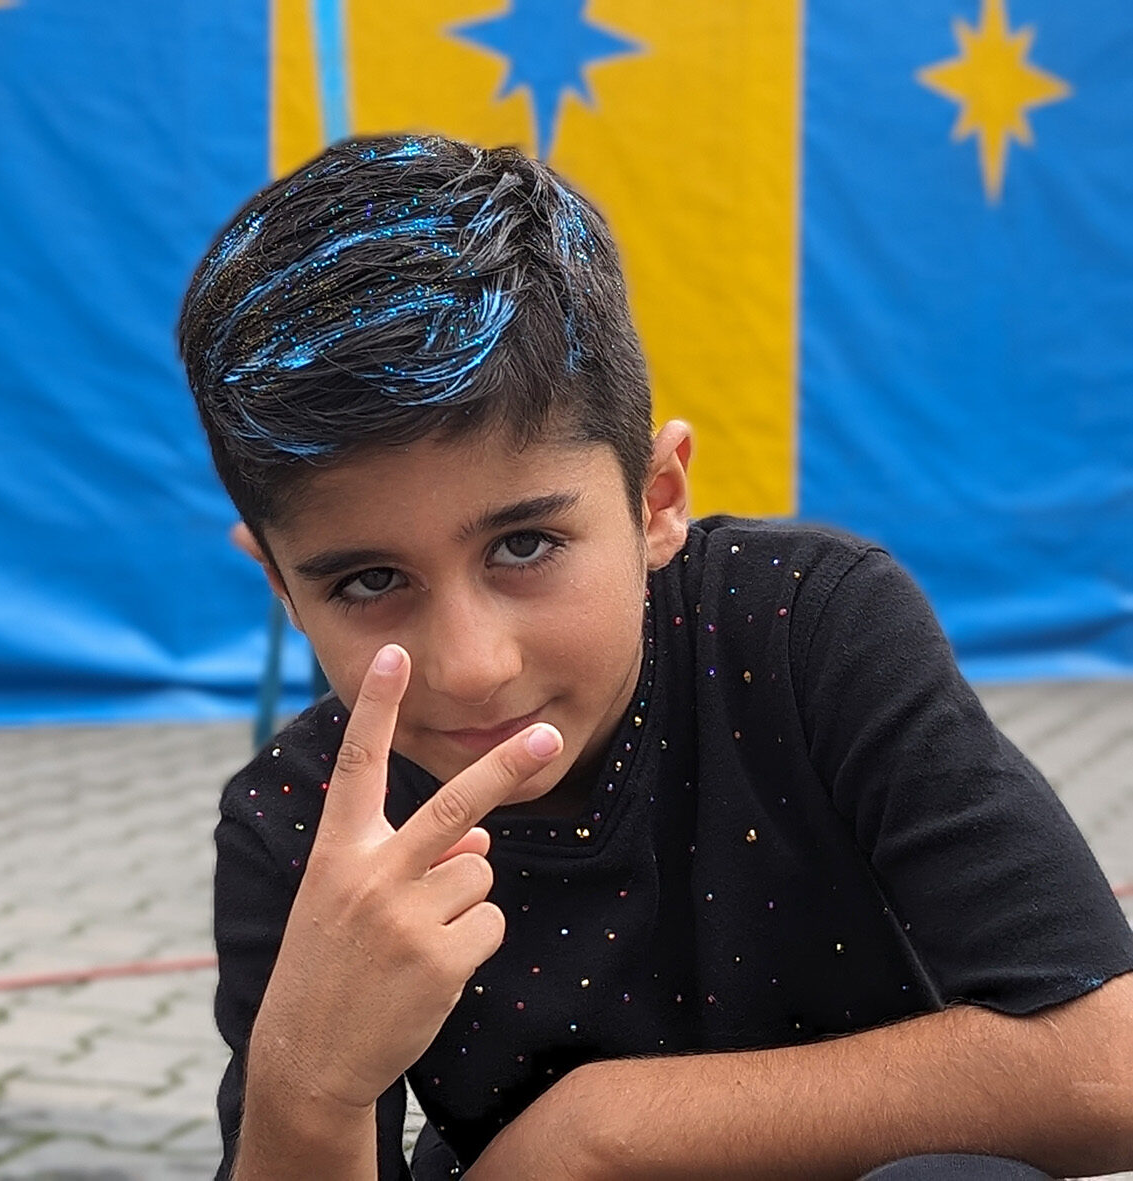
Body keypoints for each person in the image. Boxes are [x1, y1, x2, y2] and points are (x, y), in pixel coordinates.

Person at [175, 133, 1133, 1179]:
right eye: (368, 581)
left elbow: (1105, 1065)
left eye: (524, 546)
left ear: (656, 499)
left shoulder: (804, 627)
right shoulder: (303, 820)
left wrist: (595, 1131)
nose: (471, 665)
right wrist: (308, 1085)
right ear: (280, 585)